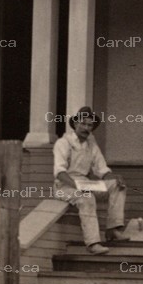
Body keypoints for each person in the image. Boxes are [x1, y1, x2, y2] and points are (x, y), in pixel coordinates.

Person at [53, 106, 128, 254]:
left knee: (118, 186)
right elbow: (60, 173)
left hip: (84, 183)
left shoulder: (91, 145)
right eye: (83, 123)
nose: (86, 128)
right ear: (75, 124)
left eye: (89, 125)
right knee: (87, 198)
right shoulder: (63, 143)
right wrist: (77, 186)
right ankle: (93, 243)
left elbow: (102, 170)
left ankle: (113, 229)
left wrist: (114, 178)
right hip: (65, 186)